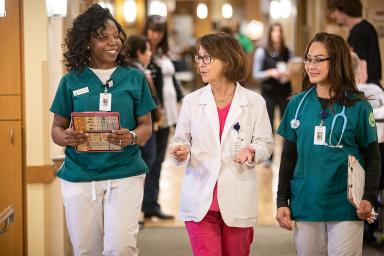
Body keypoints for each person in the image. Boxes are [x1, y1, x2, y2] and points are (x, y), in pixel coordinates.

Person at [50, 5, 156, 255]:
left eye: (116, 35)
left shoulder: (134, 78)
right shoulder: (71, 81)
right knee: (86, 250)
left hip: (125, 174)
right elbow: (56, 128)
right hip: (80, 176)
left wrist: (130, 137)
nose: (113, 42)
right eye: (103, 36)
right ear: (86, 42)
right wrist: (66, 138)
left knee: (121, 248)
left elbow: (146, 127)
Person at [276, 32, 381, 255]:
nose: (310, 65)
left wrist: (369, 197)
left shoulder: (359, 107)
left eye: (318, 59)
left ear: (337, 61)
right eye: (308, 59)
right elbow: (288, 157)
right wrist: (281, 200)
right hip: (306, 202)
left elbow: (373, 156)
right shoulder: (297, 104)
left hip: (345, 205)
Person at [170, 32, 274, 256]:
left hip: (237, 198)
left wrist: (253, 150)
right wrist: (180, 150)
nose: (201, 64)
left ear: (227, 59)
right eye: (199, 58)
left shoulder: (254, 102)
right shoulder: (191, 101)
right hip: (200, 200)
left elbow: (266, 143)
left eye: (207, 58)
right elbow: (181, 139)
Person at [142, 14, 183, 220]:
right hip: (153, 116)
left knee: (158, 161)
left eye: (159, 31)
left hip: (168, 114)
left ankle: (152, 204)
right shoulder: (144, 53)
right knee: (149, 160)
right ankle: (146, 203)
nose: (156, 34)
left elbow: (173, 82)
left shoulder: (164, 53)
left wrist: (180, 102)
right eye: (153, 30)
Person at [252, 23, 292, 163]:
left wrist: (288, 74)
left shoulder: (287, 51)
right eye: (274, 31)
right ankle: (269, 158)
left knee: (287, 125)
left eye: (279, 31)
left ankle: (288, 156)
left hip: (284, 91)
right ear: (269, 33)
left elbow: (291, 69)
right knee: (268, 126)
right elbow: (255, 75)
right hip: (268, 93)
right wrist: (270, 72)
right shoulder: (262, 51)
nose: (277, 34)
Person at [327, 0, 382, 87]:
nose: (332, 16)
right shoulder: (365, 27)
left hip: (367, 90)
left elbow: (362, 75)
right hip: (372, 88)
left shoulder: (359, 32)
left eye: (334, 11)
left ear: (343, 10)